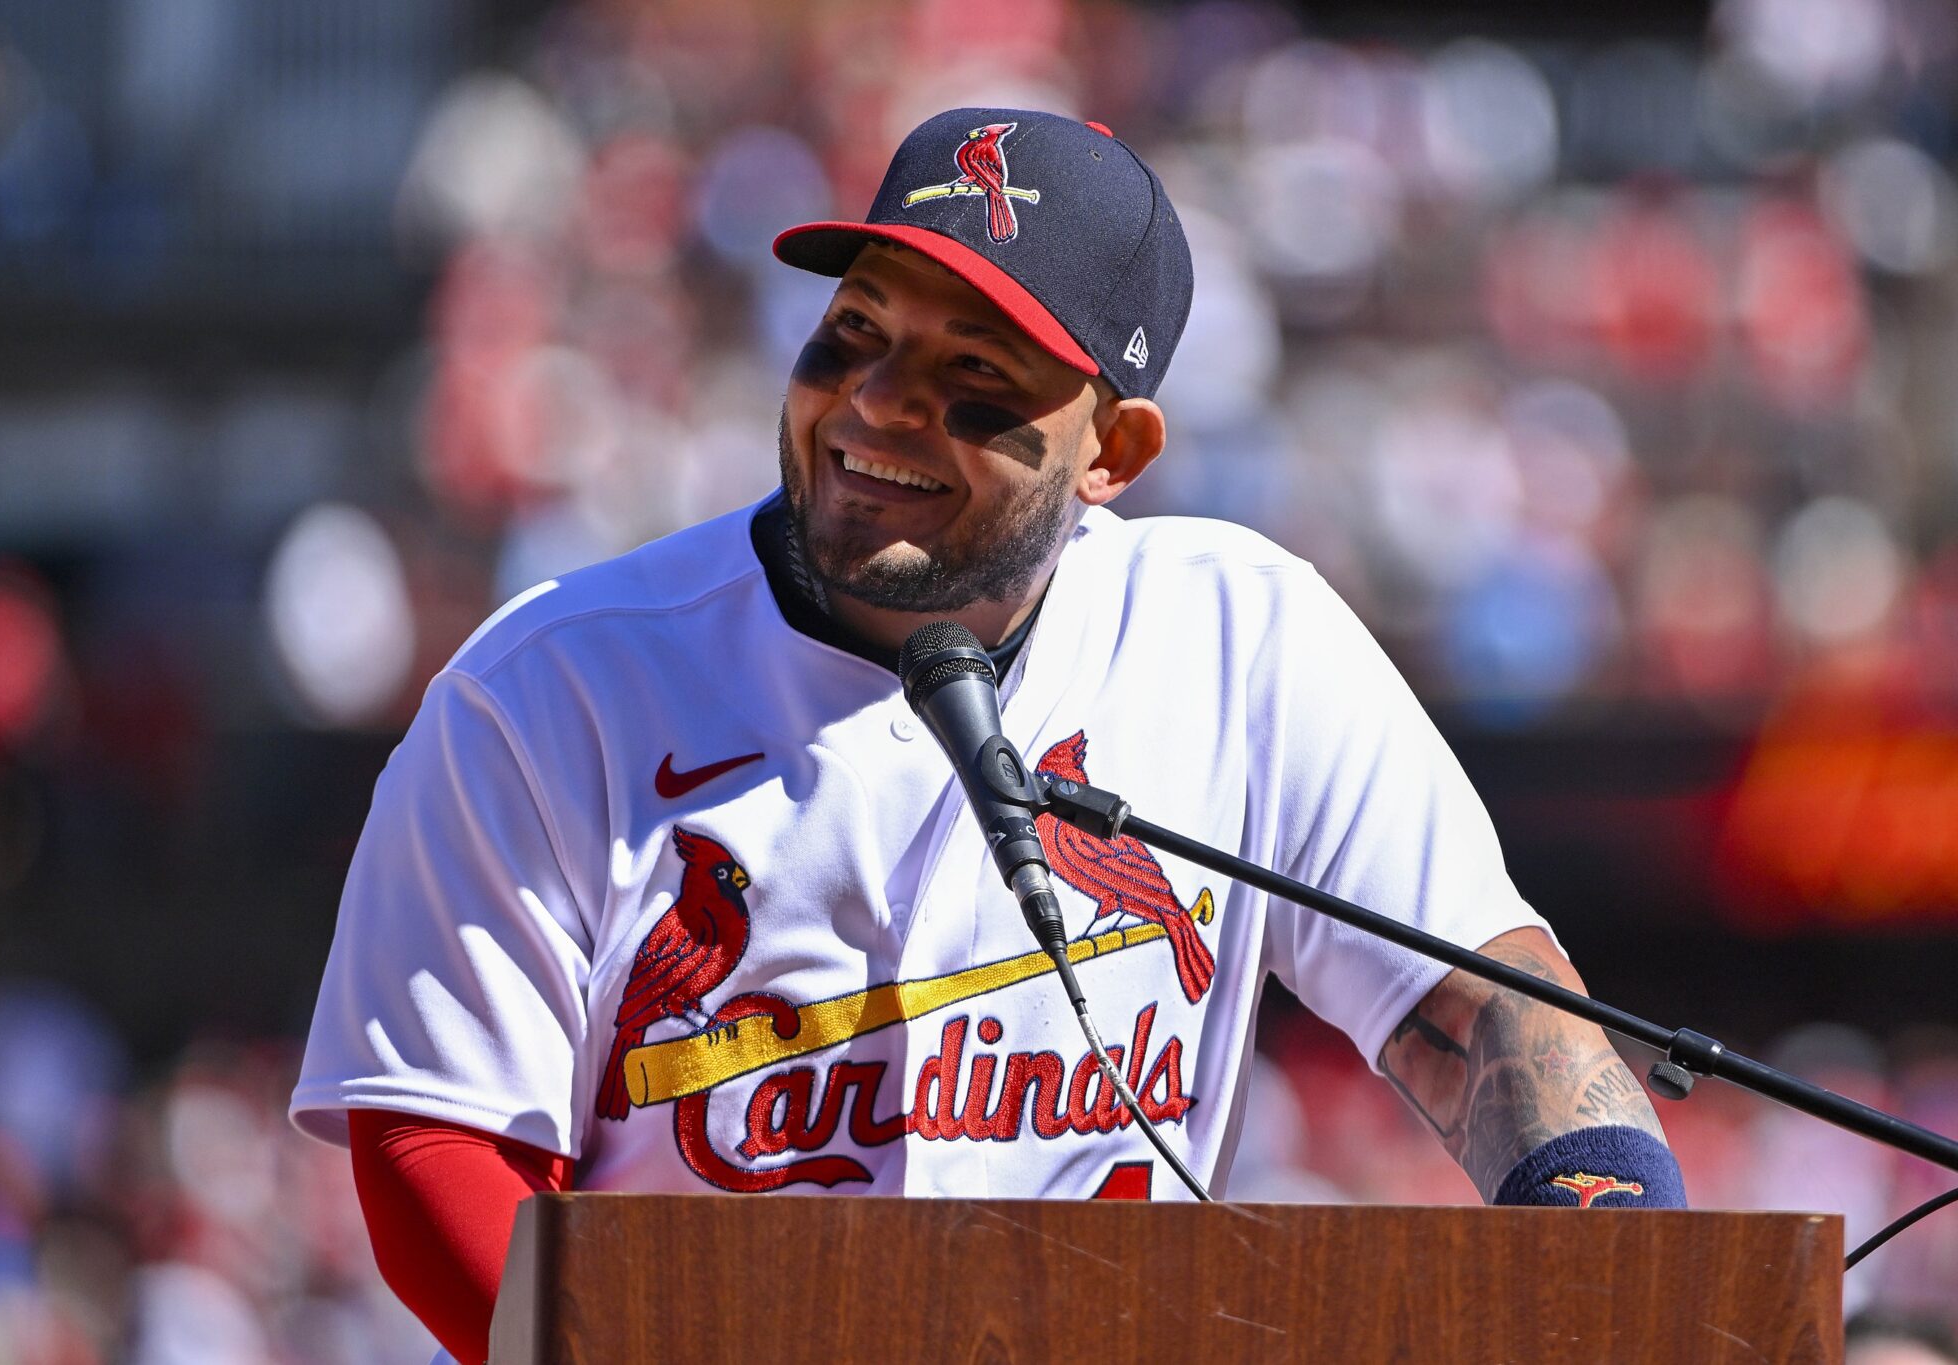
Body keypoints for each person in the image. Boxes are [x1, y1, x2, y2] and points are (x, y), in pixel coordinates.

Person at [290, 108, 1684, 1365]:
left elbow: (1484, 1012)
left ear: (1113, 452)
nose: (879, 402)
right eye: (855, 330)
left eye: (976, 371)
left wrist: (1619, 1261)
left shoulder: (1243, 640)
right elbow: (436, 1149)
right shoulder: (551, 687)